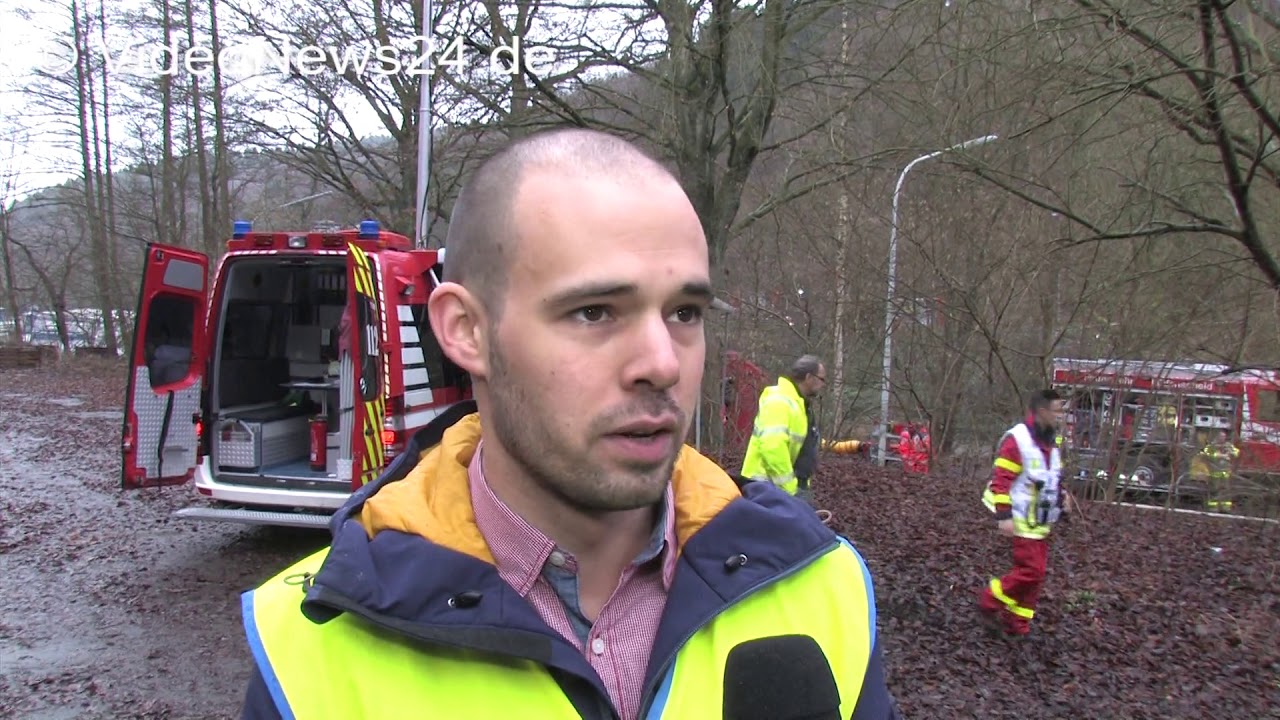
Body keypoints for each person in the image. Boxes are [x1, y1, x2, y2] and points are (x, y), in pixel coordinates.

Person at [237, 128, 899, 720]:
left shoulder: (822, 589)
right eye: (594, 312)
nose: (662, 364)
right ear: (466, 332)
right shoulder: (311, 650)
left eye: (685, 313)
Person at [977, 389, 1069, 637]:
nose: (1061, 416)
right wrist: (1004, 517)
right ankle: (989, 601)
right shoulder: (1017, 440)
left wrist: (1063, 500)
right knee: (1032, 572)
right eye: (1058, 410)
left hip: (1040, 521)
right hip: (1020, 519)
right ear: (1042, 411)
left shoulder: (1051, 441)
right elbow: (1001, 480)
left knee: (1035, 579)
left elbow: (1052, 477)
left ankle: (1018, 624)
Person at [739, 354, 827, 497]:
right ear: (809, 377)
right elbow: (772, 447)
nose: (822, 385)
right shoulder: (779, 401)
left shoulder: (799, 404)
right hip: (765, 489)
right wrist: (791, 488)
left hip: (779, 489)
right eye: (821, 379)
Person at [1201, 430, 1239, 512]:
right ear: (1217, 437)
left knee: (1226, 490)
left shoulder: (1228, 445)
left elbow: (1236, 452)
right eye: (1221, 436)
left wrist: (1230, 452)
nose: (1222, 438)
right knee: (1214, 490)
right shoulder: (1211, 446)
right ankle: (1213, 508)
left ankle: (1226, 508)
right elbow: (1205, 454)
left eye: (1224, 436)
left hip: (1225, 473)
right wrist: (1219, 456)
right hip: (1215, 472)